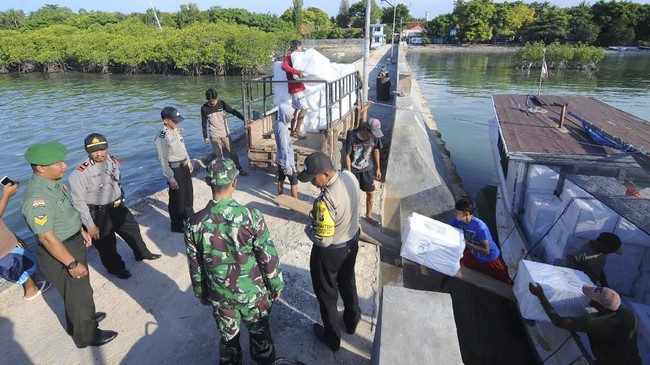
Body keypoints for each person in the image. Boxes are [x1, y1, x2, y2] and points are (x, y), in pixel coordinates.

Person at [184, 158, 284, 365]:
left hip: (220, 296)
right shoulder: (251, 217)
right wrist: (276, 285)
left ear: (207, 183)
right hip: (252, 295)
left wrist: (200, 292)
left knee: (228, 339)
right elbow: (268, 257)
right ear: (235, 183)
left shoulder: (194, 223)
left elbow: (195, 265)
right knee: (260, 335)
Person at [20, 141, 116, 348]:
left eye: (63, 161)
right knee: (80, 295)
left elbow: (66, 214)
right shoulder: (38, 198)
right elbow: (46, 237)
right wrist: (72, 264)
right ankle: (87, 336)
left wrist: (80, 230)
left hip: (69, 242)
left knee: (76, 293)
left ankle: (80, 323)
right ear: (41, 168)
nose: (64, 166)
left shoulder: (52, 184)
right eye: (59, 163)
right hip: (60, 251)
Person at [69, 133, 161, 280]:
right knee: (106, 244)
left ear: (107, 147)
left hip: (118, 207)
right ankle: (116, 268)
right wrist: (90, 225)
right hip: (98, 213)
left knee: (132, 230)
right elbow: (78, 202)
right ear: (87, 151)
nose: (99, 153)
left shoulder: (111, 160)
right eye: (94, 151)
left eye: (102, 149)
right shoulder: (80, 173)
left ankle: (142, 253)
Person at [298, 152, 361, 352]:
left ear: (325, 174)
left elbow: (324, 241)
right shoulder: (349, 176)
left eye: (314, 178)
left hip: (331, 253)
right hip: (352, 243)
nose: (312, 183)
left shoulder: (325, 201)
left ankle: (332, 338)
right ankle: (352, 321)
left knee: (327, 294)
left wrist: (309, 230)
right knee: (348, 281)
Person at [529, 283, 641, 365]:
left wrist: (541, 296)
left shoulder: (594, 323)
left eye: (593, 298)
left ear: (601, 307)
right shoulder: (629, 314)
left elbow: (558, 321)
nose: (589, 298)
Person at [0, 181, 52, 300]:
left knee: (14, 266)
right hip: (5, 247)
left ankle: (31, 285)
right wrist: (6, 195)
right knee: (21, 264)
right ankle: (31, 289)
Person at [449, 197, 512, 284]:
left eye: (458, 212)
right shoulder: (458, 220)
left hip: (489, 258)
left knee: (504, 280)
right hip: (473, 253)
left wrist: (466, 243)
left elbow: (486, 250)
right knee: (457, 264)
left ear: (466, 214)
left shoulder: (480, 227)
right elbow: (448, 228)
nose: (455, 214)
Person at [154, 106, 194, 233]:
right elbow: (163, 159)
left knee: (188, 194)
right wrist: (170, 178)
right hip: (174, 169)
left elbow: (182, 147)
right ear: (166, 120)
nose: (177, 123)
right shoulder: (162, 137)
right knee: (177, 198)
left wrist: (188, 161)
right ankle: (177, 225)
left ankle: (189, 217)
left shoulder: (175, 130)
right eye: (174, 120)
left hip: (184, 166)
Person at [201, 88, 250, 176]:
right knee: (219, 156)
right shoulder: (204, 108)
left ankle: (239, 169)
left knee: (232, 152)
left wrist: (243, 118)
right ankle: (222, 172)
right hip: (214, 134)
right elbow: (203, 123)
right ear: (208, 100)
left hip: (225, 133)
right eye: (211, 101)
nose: (213, 102)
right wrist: (205, 136)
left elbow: (233, 111)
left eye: (215, 100)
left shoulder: (222, 104)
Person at [344, 117, 384, 226]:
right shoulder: (352, 139)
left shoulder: (375, 138)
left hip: (367, 170)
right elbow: (347, 155)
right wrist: (349, 173)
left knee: (370, 193)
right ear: (366, 130)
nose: (375, 135)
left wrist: (378, 168)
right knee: (351, 195)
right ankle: (349, 216)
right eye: (373, 133)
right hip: (354, 171)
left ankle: (369, 215)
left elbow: (376, 151)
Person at [281, 39, 308, 139]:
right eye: (300, 47)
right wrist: (297, 72)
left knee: (296, 109)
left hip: (296, 86)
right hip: (295, 87)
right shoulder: (289, 56)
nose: (301, 49)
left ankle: (292, 131)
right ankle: (297, 130)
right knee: (304, 108)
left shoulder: (295, 56)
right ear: (297, 47)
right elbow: (284, 67)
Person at [274, 103, 298, 199]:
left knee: (280, 179)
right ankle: (295, 204)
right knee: (294, 183)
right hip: (286, 161)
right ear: (285, 115)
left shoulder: (278, 123)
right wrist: (288, 166)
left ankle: (280, 198)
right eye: (291, 115)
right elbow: (284, 148)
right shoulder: (283, 129)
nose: (292, 117)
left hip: (280, 159)